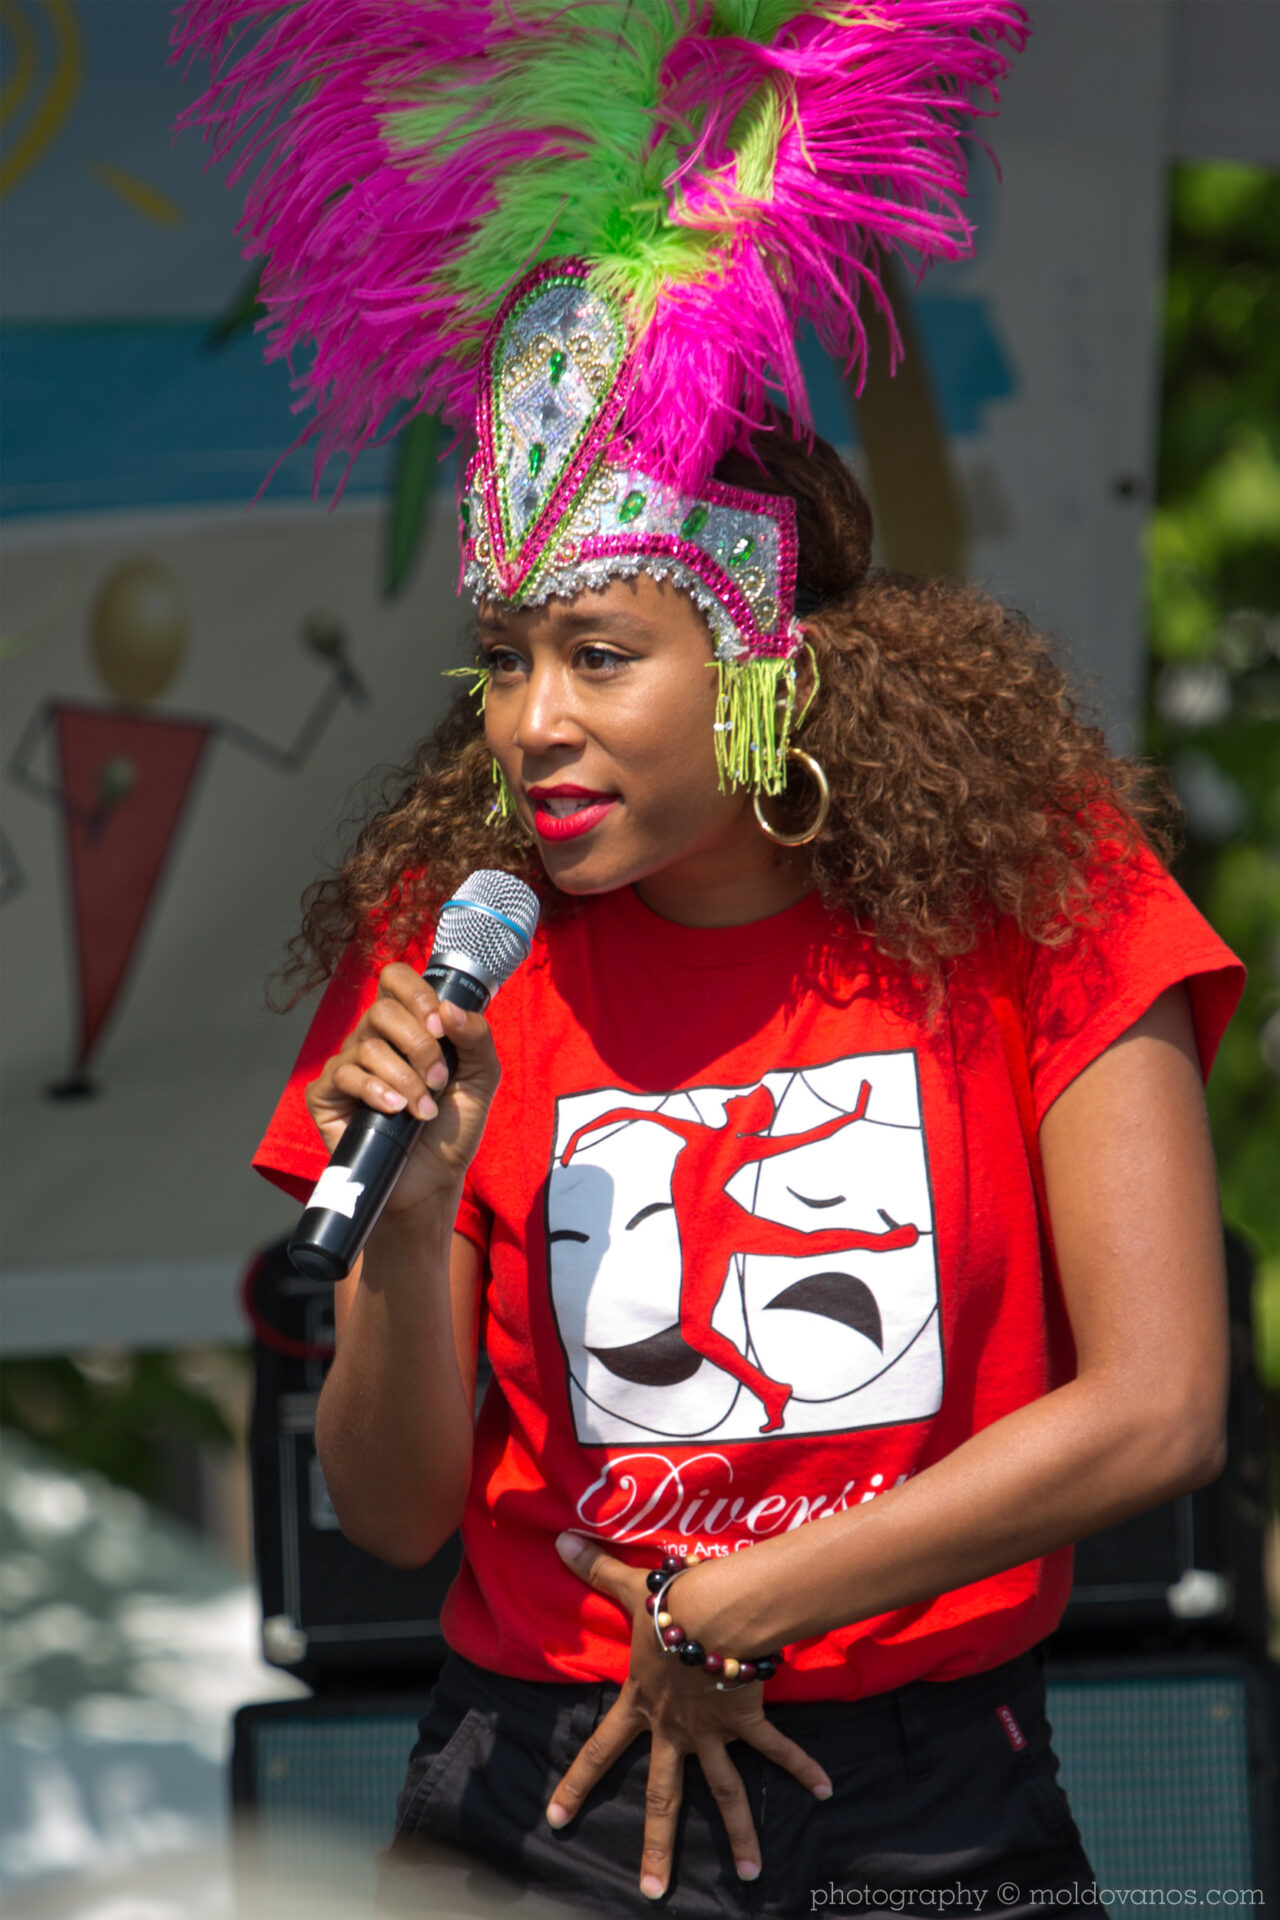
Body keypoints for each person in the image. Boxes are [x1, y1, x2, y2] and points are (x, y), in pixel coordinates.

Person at [180, 4, 1243, 1913]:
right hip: (551, 1788)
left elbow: (1161, 1405)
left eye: (599, 656)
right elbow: (395, 1515)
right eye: (505, 663)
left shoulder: (1037, 900)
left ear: (758, 653)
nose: (534, 723)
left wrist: (737, 1604)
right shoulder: (457, 956)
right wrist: (406, 1228)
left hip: (930, 1798)